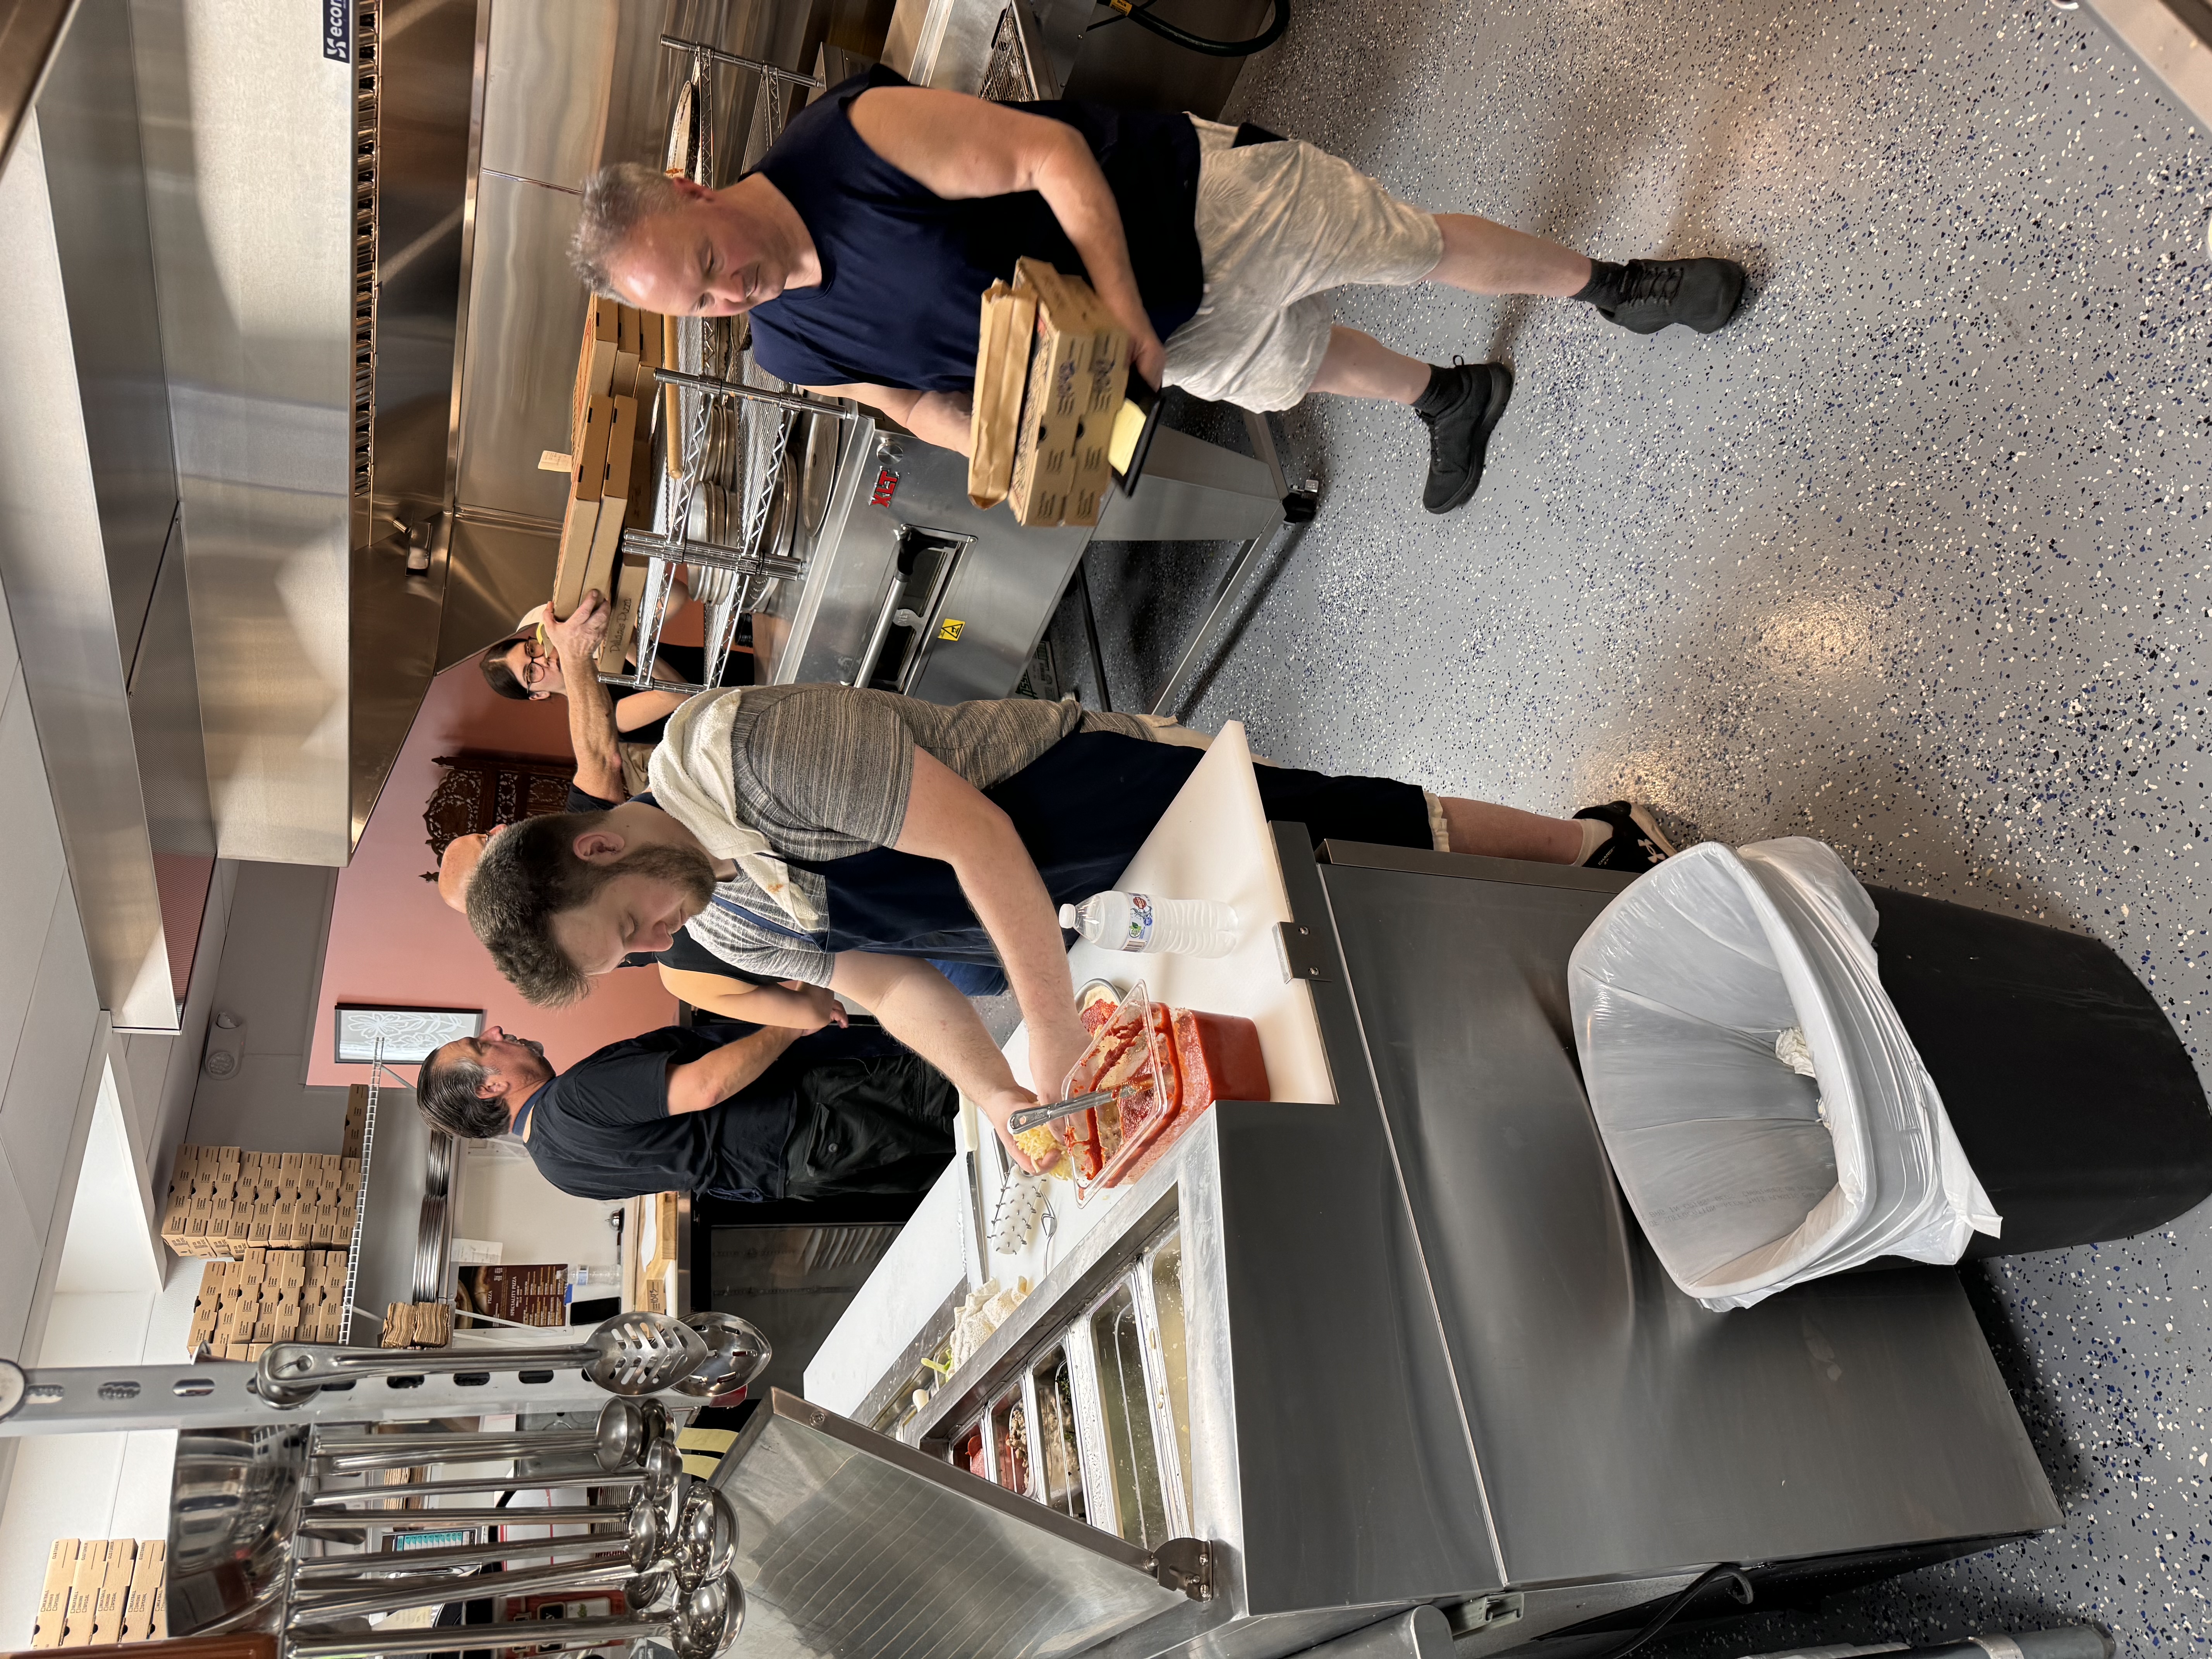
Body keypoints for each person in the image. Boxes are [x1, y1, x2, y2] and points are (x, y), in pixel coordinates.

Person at [461, 680, 1678, 1171]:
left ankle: (1595, 843)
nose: (655, 940)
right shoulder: (717, 928)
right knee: (1302, 939)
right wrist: (995, 1089)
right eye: (628, 954)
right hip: (1074, 917)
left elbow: (974, 840)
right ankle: (1540, 958)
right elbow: (883, 981)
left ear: (602, 842)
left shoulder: (740, 754)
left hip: (1081, 806)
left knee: (1347, 827)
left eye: (630, 921)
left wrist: (1048, 1020)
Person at [569, 66, 1745, 515]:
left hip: (1184, 210)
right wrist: (1017, 456)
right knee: (1294, 367)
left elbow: (1051, 159)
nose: (731, 297)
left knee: (1407, 246)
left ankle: (1615, 283)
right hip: (1131, 343)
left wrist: (1128, 316)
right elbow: (915, 402)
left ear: (694, 187)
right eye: (701, 310)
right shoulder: (785, 343)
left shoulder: (853, 142)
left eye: (712, 267)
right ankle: (1449, 395)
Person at [415, 1020, 954, 1204]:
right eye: (481, 1044)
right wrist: (790, 1024)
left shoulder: (556, 1169)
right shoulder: (571, 1099)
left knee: (967, 1157)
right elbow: (707, 1086)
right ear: (494, 1087)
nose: (497, 1033)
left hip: (796, 1175)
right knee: (976, 1100)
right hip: (820, 1115)